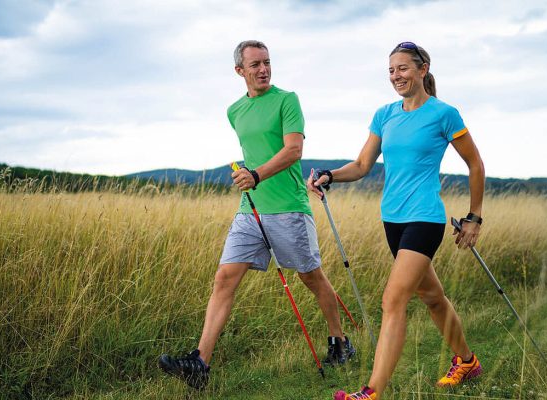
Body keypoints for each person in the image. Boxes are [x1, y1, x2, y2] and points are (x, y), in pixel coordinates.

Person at [158, 40, 355, 391]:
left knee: (311, 278)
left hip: (289, 208)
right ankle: (199, 363)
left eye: (267, 62)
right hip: (250, 210)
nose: (263, 69)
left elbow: (294, 150)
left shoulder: (287, 100)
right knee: (224, 278)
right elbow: (254, 151)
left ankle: (340, 343)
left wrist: (257, 174)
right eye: (255, 65)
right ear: (240, 71)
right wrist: (249, 178)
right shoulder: (234, 111)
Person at [308, 42, 485, 400]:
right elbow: (361, 166)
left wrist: (474, 218)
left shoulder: (444, 114)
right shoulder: (384, 114)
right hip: (392, 220)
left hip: (425, 218)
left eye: (403, 68)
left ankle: (371, 392)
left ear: (423, 69)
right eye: (391, 70)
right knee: (432, 297)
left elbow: (475, 165)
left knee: (393, 300)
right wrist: (329, 174)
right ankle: (467, 362)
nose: (396, 76)